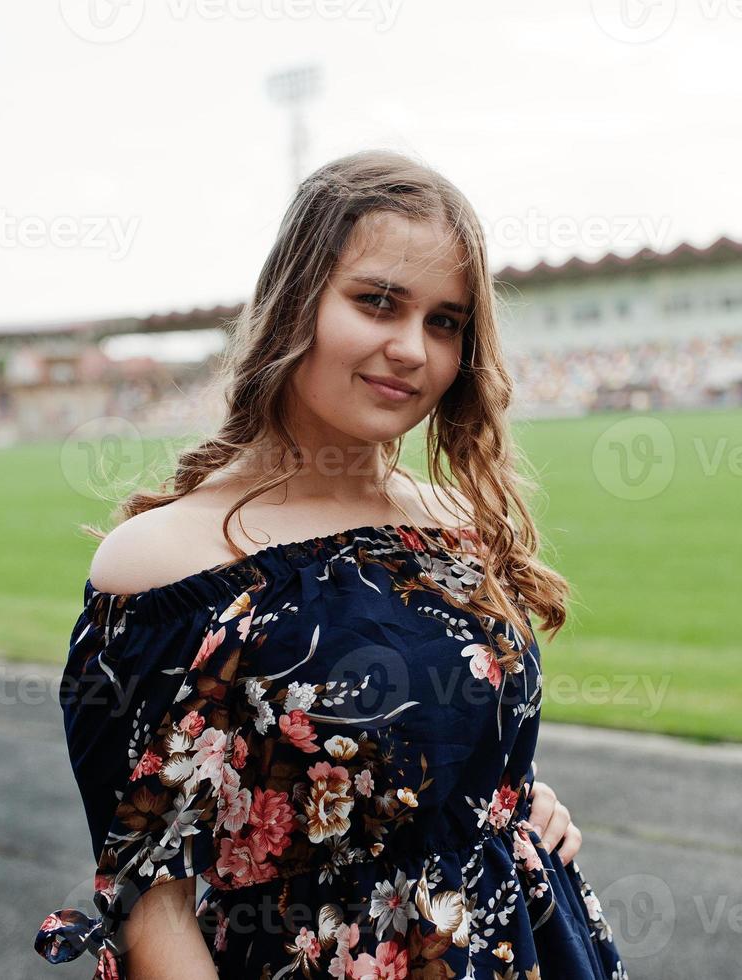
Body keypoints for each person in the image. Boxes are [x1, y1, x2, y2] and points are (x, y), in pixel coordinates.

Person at [34, 149, 629, 979]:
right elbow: (148, 902)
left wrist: (511, 799)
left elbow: (442, 741)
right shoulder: (167, 563)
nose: (412, 349)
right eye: (377, 302)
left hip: (533, 947)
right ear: (293, 302)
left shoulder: (456, 522)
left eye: (444, 321)